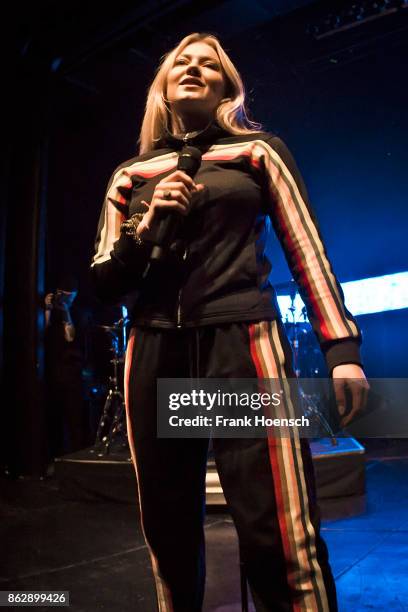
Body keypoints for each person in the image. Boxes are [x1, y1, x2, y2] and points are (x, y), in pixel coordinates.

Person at [91, 32, 369, 612]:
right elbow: (105, 281)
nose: (193, 69)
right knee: (167, 531)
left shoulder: (257, 152)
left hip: (239, 343)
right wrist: (146, 228)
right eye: (181, 63)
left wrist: (341, 348)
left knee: (275, 529)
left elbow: (306, 250)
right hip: (153, 351)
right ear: (163, 86)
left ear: (226, 88)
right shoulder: (130, 175)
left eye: (208, 65)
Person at [44, 274, 89, 458]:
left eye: (70, 297)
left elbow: (70, 337)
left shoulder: (79, 313)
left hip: (71, 372)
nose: (66, 300)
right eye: (63, 296)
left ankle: (75, 457)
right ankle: (53, 456)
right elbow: (42, 332)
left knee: (73, 418)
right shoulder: (50, 310)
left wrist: (65, 311)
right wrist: (47, 309)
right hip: (52, 370)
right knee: (54, 417)